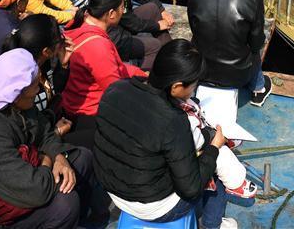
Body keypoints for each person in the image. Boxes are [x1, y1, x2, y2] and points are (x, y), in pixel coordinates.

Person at [0, 48, 99, 229]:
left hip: (25, 174)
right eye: (35, 87)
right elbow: (35, 190)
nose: (38, 90)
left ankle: (78, 222)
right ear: (16, 95)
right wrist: (48, 160)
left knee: (83, 158)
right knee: (66, 205)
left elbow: (45, 133)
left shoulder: (19, 104)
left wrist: (59, 156)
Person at [93, 39, 232, 229]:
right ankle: (212, 223)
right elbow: (191, 189)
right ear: (176, 86)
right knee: (218, 162)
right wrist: (214, 147)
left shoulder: (116, 88)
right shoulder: (173, 120)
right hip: (154, 207)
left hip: (113, 191)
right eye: (193, 85)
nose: (193, 91)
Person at [60, 0, 147, 149]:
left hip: (75, 102)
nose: (123, 12)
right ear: (111, 13)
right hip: (90, 111)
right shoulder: (98, 46)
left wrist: (140, 73)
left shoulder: (78, 26)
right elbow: (114, 90)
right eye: (122, 8)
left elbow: (114, 69)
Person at [187, 0, 271, 106]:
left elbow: (194, 28)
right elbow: (256, 43)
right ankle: (258, 89)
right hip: (238, 75)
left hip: (202, 69)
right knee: (256, 45)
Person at [0, 15, 73, 123]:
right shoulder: (22, 83)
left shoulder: (41, 62)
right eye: (60, 38)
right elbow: (30, 123)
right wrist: (57, 130)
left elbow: (54, 90)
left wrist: (63, 65)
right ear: (46, 51)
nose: (64, 40)